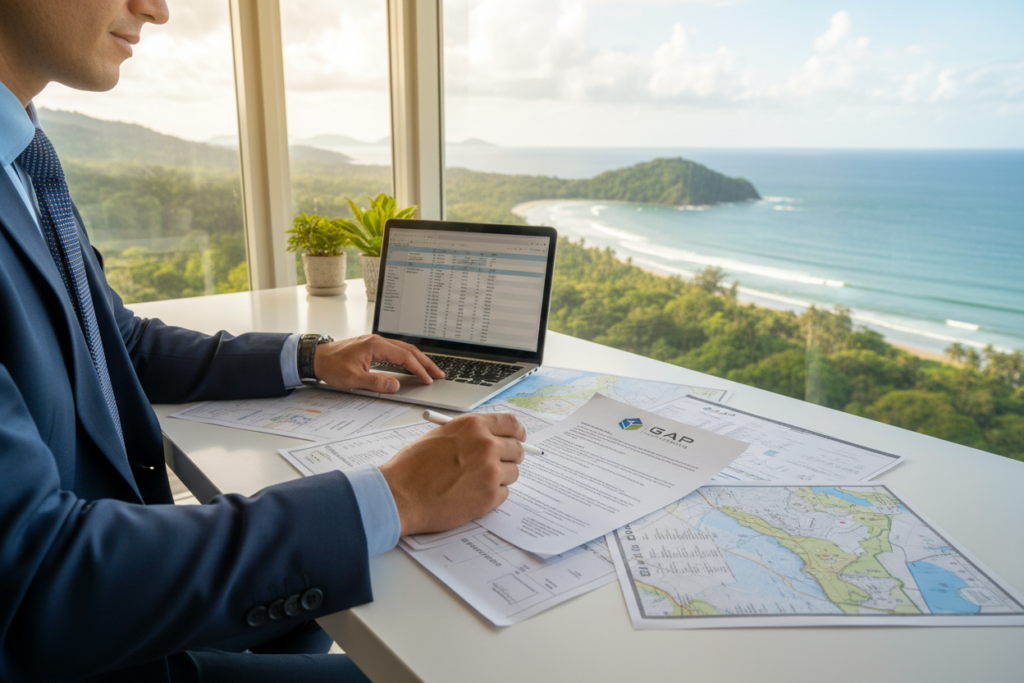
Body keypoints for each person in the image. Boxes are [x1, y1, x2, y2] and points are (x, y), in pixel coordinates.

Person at [0, 1, 527, 681]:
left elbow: (117, 342)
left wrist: (311, 357)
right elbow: (40, 572)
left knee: (363, 583)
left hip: (122, 600)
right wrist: (395, 496)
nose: (156, 9)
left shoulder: (23, 160)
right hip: (88, 646)